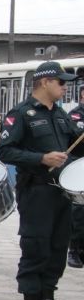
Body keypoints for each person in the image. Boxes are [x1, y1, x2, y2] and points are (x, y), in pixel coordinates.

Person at [0, 61, 82, 300]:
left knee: (57, 251)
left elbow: (77, 143)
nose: (64, 86)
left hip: (61, 194)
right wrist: (41, 158)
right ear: (45, 82)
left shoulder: (60, 114)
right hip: (36, 192)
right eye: (61, 82)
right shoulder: (21, 114)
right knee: (36, 250)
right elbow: (5, 152)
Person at [67, 85, 84, 268]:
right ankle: (73, 250)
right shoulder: (76, 115)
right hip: (79, 167)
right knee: (79, 212)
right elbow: (76, 136)